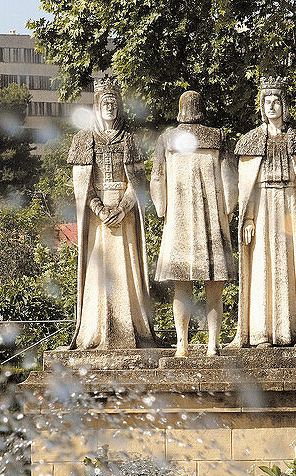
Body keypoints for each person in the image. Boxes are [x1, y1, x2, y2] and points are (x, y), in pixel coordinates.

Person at [66, 76, 157, 350]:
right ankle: (95, 330)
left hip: (124, 215)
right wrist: (99, 209)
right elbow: (82, 186)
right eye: (105, 102)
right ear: (97, 106)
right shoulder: (83, 140)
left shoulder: (130, 139)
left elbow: (138, 182)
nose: (110, 107)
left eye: (114, 102)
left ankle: (132, 330)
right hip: (97, 219)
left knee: (126, 272)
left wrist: (122, 207)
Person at [232, 77, 296, 348]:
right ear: (261, 106)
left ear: (285, 105)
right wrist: (247, 218)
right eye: (267, 102)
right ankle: (262, 333)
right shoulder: (250, 142)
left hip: (292, 204)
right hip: (262, 210)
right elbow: (247, 189)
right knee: (262, 267)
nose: (271, 106)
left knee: (295, 266)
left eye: (276, 102)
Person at [150, 90, 237, 357]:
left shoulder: (167, 139)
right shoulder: (218, 137)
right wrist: (229, 210)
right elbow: (230, 180)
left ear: (180, 110)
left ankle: (182, 344)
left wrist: (162, 210)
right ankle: (212, 345)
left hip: (179, 221)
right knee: (215, 287)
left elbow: (156, 179)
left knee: (181, 285)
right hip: (212, 219)